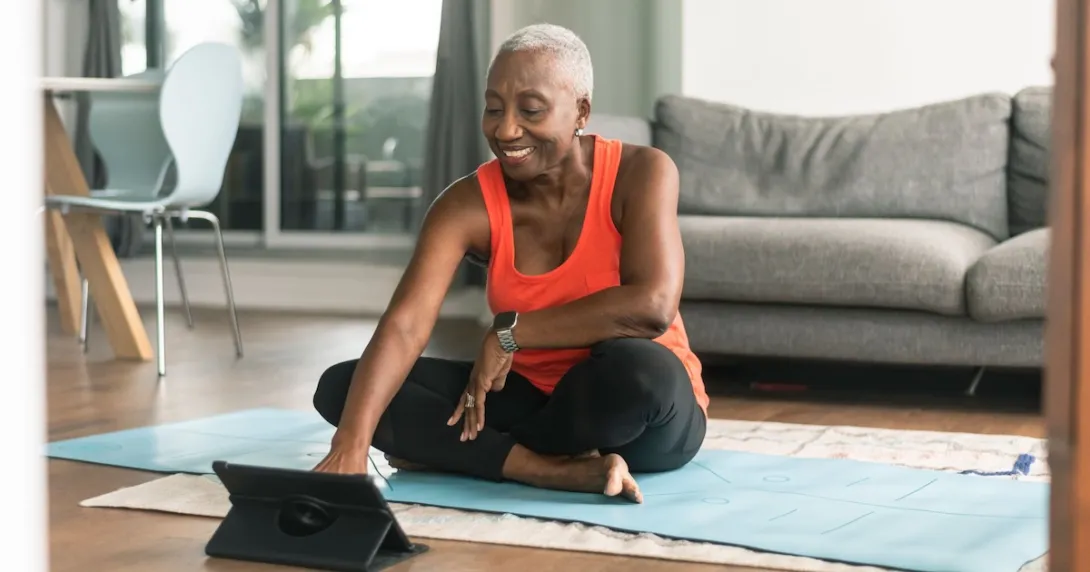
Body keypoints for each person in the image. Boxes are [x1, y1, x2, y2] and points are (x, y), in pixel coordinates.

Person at [311, 23, 709, 503]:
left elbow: (653, 306)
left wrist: (510, 332)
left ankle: (471, 453)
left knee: (642, 371)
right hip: (527, 396)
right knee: (345, 390)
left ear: (581, 110)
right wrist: (350, 447)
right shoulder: (466, 204)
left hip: (637, 415)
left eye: (531, 110)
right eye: (494, 108)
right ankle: (546, 469)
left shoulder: (641, 171)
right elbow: (406, 324)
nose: (505, 130)